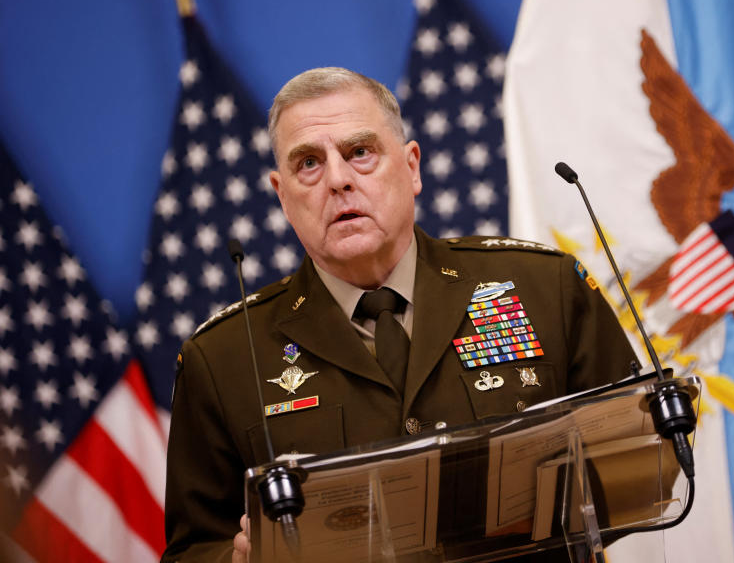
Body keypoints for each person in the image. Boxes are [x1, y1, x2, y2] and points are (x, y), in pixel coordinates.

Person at [161, 67, 638, 562]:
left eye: (359, 152)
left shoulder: (544, 288)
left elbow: (636, 461)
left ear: (411, 167)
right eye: (309, 163)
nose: (338, 180)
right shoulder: (222, 359)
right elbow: (193, 548)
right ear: (282, 195)